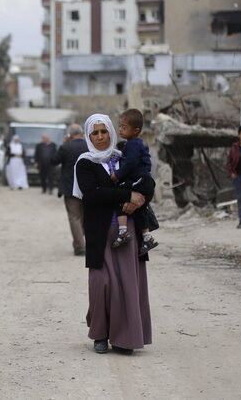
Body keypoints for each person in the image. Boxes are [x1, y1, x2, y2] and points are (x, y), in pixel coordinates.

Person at [74, 114, 151, 354]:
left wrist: (138, 200)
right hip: (99, 231)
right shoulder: (85, 162)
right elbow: (92, 194)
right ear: (88, 136)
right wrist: (127, 195)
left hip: (126, 231)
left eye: (103, 131)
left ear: (111, 133)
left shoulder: (124, 157)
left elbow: (148, 182)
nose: (99, 137)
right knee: (102, 284)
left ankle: (125, 338)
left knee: (127, 285)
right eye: (94, 133)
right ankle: (100, 334)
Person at [110, 109, 158, 255]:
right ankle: (147, 237)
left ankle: (123, 231)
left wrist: (117, 175)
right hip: (144, 181)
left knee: (119, 194)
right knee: (141, 209)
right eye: (119, 126)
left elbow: (130, 164)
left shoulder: (132, 145)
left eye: (124, 127)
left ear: (136, 130)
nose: (120, 130)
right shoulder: (136, 144)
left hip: (139, 180)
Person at [51, 124, 89, 256]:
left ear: (70, 135)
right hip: (87, 187)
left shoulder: (66, 147)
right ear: (81, 133)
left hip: (70, 187)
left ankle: (80, 247)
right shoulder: (89, 146)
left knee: (74, 217)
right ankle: (84, 243)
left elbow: (53, 161)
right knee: (85, 217)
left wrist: (64, 143)